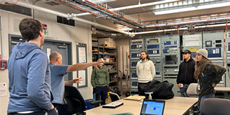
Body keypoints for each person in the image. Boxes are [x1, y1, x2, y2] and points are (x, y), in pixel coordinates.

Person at [7, 18, 57, 115]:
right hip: (32, 110)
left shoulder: (13, 55)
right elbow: (34, 92)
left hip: (13, 110)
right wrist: (50, 107)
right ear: (41, 33)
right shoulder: (38, 55)